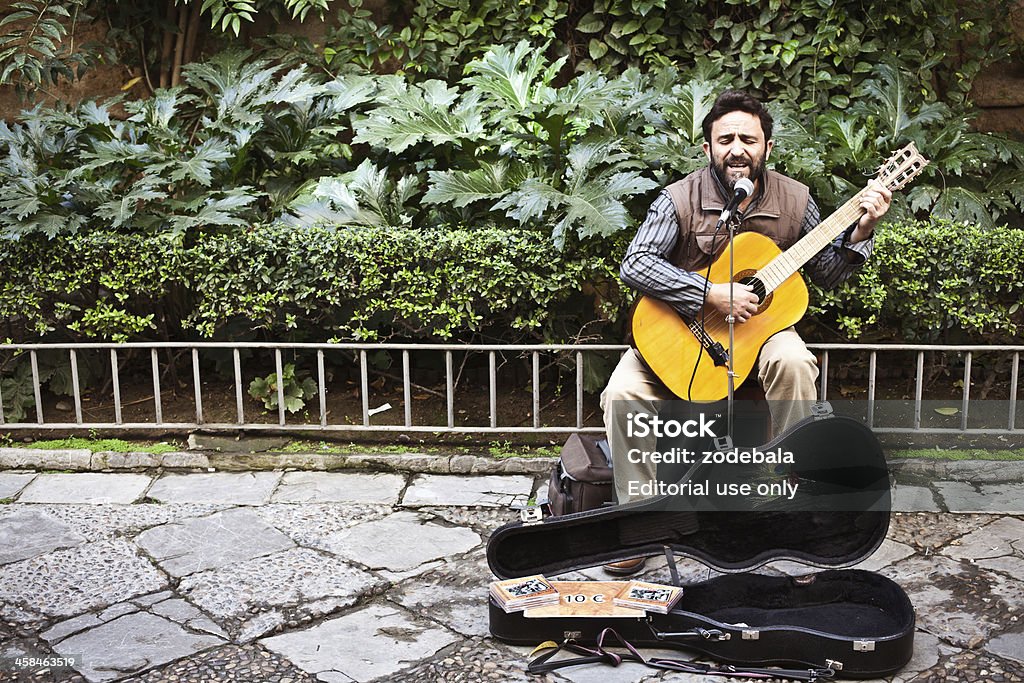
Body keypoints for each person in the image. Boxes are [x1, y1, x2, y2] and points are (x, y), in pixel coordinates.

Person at [599, 89, 892, 575]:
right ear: (708, 147)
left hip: (759, 336)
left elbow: (826, 273)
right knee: (623, 393)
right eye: (726, 138)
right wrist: (708, 293)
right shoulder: (678, 199)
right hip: (676, 330)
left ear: (767, 148)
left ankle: (791, 494)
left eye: (748, 139)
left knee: (794, 361)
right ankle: (640, 522)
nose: (737, 148)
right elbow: (636, 264)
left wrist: (859, 234)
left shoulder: (797, 200)